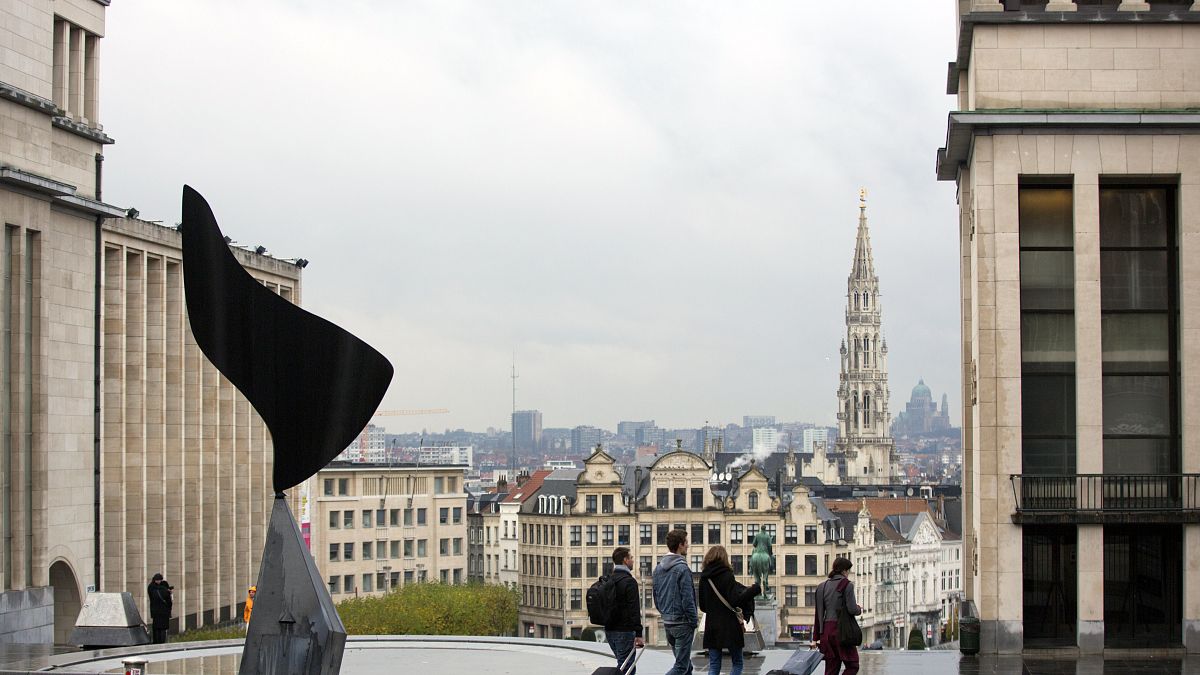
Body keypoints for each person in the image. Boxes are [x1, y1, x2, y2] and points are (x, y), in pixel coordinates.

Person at [698, 545, 761, 675]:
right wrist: (753, 590)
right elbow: (735, 601)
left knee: (714, 666)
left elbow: (703, 606)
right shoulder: (727, 575)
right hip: (730, 626)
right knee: (737, 663)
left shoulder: (704, 578)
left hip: (712, 627)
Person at [653, 529, 697, 675]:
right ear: (680, 545)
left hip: (668, 623)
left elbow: (656, 597)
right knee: (681, 667)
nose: (688, 546)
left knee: (687, 666)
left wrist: (665, 614)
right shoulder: (682, 569)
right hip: (682, 624)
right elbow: (688, 599)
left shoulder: (658, 569)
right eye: (686, 543)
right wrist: (693, 621)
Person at [813, 557, 862, 675]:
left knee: (831, 668)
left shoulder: (821, 587)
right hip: (842, 631)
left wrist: (815, 638)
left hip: (826, 632)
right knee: (852, 664)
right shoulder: (847, 585)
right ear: (844, 571)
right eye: (848, 571)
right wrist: (859, 609)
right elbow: (852, 609)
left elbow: (818, 614)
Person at [604, 547, 644, 674]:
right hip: (625, 631)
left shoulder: (609, 579)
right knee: (627, 669)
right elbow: (634, 609)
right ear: (625, 560)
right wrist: (638, 633)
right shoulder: (629, 582)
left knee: (622, 665)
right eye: (631, 558)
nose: (633, 560)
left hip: (610, 630)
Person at [147, 573, 173, 644]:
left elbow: (151, 598)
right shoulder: (165, 590)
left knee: (156, 628)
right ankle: (162, 642)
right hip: (164, 612)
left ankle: (156, 642)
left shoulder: (151, 588)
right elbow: (169, 602)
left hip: (155, 611)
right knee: (163, 628)